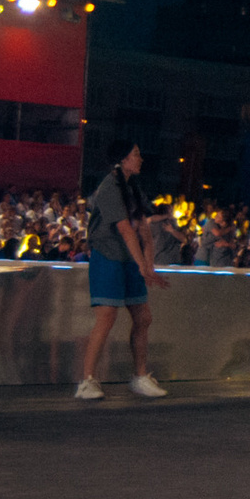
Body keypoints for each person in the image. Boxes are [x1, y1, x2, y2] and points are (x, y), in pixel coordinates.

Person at [76, 139, 171, 402]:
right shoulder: (109, 187)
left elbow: (143, 230)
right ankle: (87, 380)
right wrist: (142, 265)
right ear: (123, 159)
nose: (141, 159)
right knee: (106, 317)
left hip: (130, 258)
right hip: (108, 256)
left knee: (143, 317)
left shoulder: (132, 188)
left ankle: (139, 376)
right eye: (136, 154)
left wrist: (148, 265)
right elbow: (125, 229)